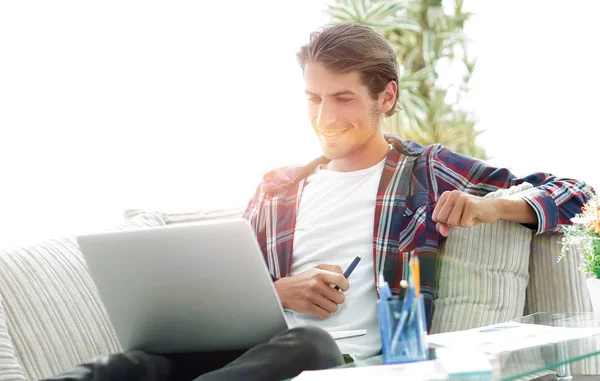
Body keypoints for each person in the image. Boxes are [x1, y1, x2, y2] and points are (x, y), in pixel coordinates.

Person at [45, 22, 592, 381]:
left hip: (338, 359)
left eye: (343, 98)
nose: (325, 117)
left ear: (387, 97)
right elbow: (228, 296)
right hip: (249, 355)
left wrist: (491, 206)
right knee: (132, 365)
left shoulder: (426, 169)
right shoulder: (277, 186)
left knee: (307, 344)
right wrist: (279, 290)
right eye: (313, 98)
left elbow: (576, 194)